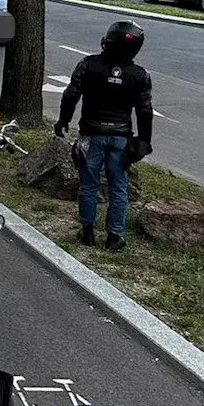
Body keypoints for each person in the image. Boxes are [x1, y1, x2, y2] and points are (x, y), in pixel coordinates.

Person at [55, 21, 153, 253]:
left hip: (91, 134)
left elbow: (71, 94)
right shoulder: (140, 75)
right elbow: (144, 110)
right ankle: (114, 236)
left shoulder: (89, 64)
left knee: (89, 184)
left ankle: (87, 230)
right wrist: (144, 140)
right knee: (119, 187)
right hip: (121, 137)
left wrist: (63, 120)